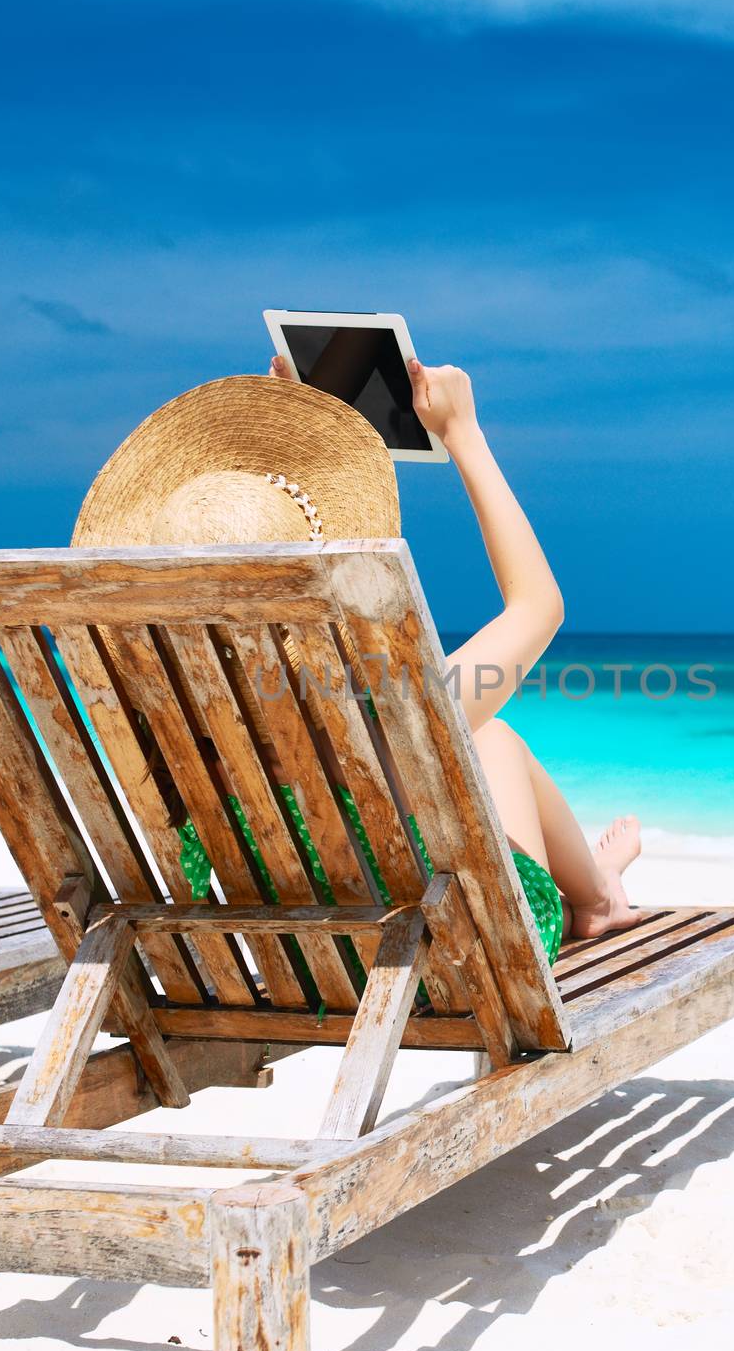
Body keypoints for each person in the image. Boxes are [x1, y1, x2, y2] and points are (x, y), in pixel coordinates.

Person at [269, 353, 641, 942]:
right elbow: (539, 607)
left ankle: (598, 890)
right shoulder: (377, 720)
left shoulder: (177, 714)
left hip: (309, 960)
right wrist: (462, 432)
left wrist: (302, 432)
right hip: (439, 962)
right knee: (489, 733)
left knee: (472, 731)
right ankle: (598, 899)